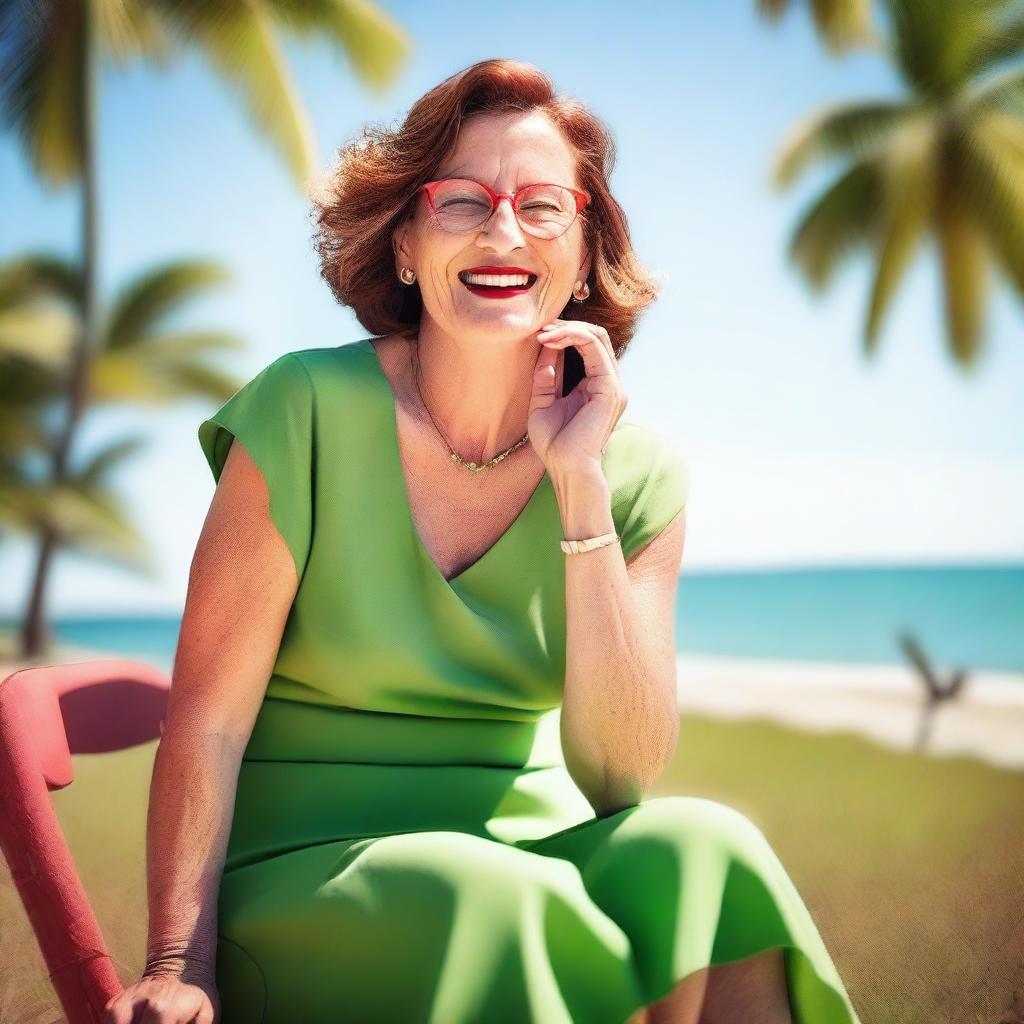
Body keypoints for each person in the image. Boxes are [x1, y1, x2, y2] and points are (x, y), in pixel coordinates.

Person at [105, 59, 862, 1024]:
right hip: (307, 876)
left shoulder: (635, 474)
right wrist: (178, 962)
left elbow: (620, 775)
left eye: (543, 206)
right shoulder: (303, 410)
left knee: (714, 852)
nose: (503, 233)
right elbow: (206, 722)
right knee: (496, 899)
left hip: (530, 856)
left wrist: (579, 489)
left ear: (583, 258)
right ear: (406, 244)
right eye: (462, 201)